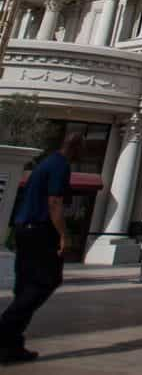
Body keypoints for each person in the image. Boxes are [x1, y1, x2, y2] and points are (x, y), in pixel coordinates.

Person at [0, 133, 82, 364]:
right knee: (45, 281)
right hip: (40, 231)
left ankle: (11, 345)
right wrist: (64, 235)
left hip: (24, 229)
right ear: (74, 147)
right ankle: (5, 330)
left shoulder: (46, 163)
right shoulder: (60, 166)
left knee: (25, 285)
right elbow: (54, 202)